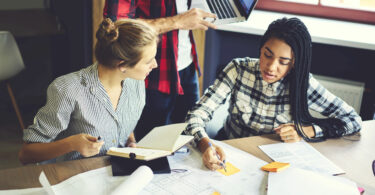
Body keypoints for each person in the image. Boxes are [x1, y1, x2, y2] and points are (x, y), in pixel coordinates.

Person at [184, 17, 362, 170]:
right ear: (260, 49)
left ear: (294, 63)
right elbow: (197, 114)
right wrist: (205, 144)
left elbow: (353, 120)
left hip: (273, 163)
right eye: (267, 55)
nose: (271, 67)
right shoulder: (238, 69)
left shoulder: (303, 84)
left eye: (283, 62)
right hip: (231, 152)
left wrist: (306, 131)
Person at [18, 18, 158, 164]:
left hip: (113, 172)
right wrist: (71, 144)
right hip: (70, 177)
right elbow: (26, 154)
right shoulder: (67, 89)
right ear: (122, 65)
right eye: (149, 61)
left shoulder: (136, 83)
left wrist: (130, 142)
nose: (155, 65)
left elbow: (121, 123)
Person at [104, 0, 217, 140]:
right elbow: (116, 28)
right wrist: (177, 21)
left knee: (191, 137)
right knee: (150, 144)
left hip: (187, 66)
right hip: (151, 74)